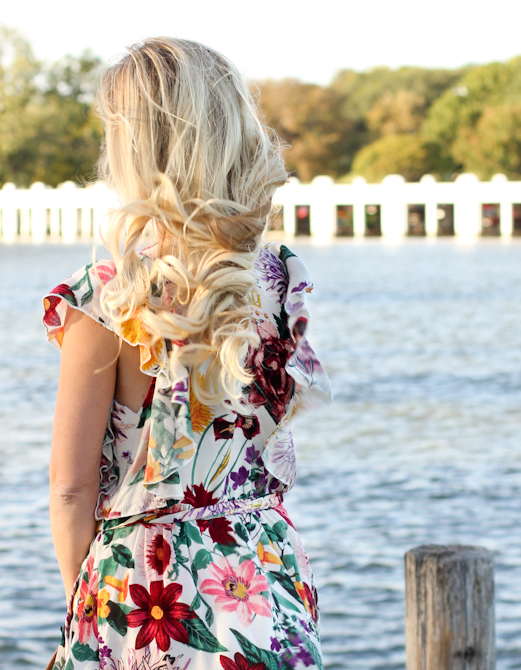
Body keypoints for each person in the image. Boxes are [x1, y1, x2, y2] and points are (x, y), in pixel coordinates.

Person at [42, 38, 331, 670]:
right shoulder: (277, 279)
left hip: (145, 592)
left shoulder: (107, 298)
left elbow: (70, 487)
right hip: (262, 578)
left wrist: (82, 603)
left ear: (132, 149)